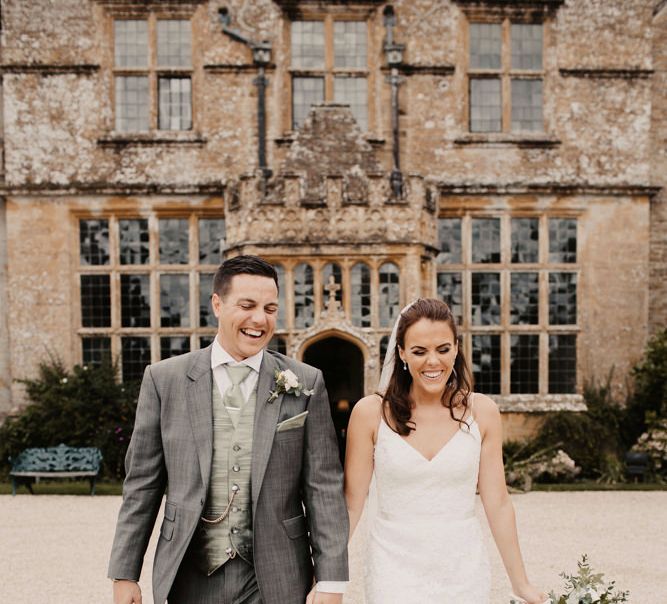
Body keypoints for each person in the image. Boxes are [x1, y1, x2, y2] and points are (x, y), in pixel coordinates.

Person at [108, 255, 348, 604]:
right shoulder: (164, 380)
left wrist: (331, 582)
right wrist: (124, 573)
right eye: (247, 305)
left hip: (277, 574)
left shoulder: (307, 382)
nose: (259, 319)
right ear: (217, 305)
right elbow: (142, 485)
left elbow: (323, 486)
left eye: (269, 308)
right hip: (189, 573)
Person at [344, 298, 545, 604]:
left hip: (462, 567)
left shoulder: (484, 412)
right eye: (419, 351)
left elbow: (499, 504)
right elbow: (350, 504)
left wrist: (522, 584)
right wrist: (325, 576)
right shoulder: (369, 413)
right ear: (401, 353)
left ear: (456, 348)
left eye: (443, 349)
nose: (432, 362)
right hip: (392, 566)